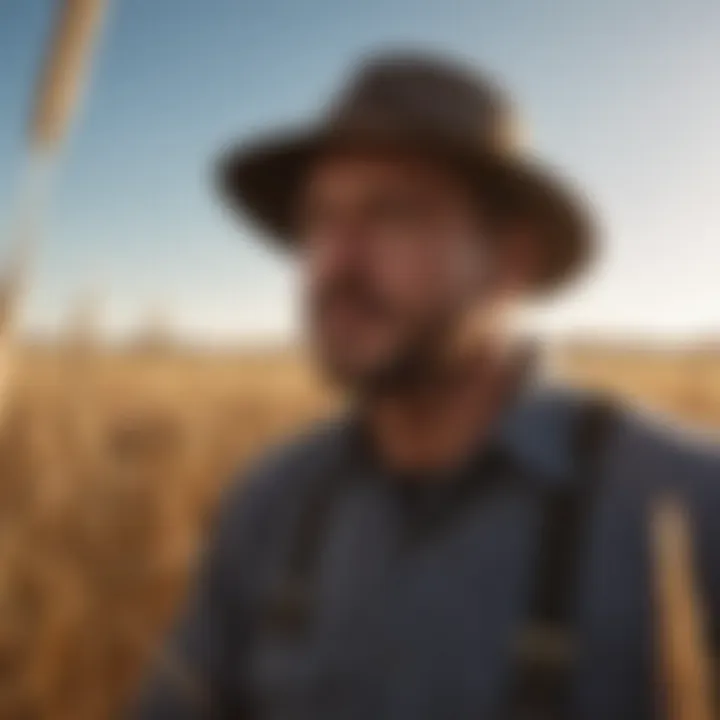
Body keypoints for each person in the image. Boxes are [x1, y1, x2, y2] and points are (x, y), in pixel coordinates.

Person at [134, 52, 720, 719]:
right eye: (319, 220)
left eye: (393, 214)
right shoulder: (271, 499)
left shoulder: (689, 506)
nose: (337, 260)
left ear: (511, 262)